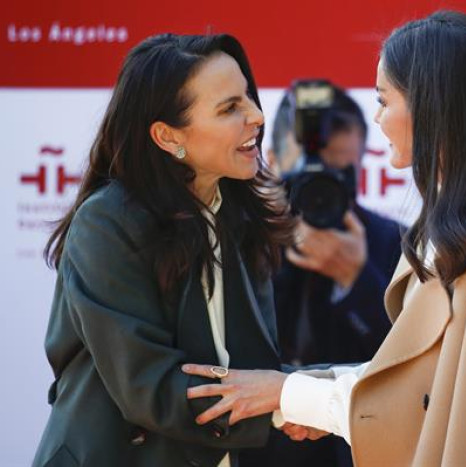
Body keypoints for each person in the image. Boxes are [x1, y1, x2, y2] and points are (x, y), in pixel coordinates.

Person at [182, 10, 466, 467]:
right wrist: (299, 397)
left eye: (384, 99)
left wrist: (292, 386)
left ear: (433, 107)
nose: (379, 118)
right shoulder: (460, 230)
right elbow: (423, 387)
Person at [33, 33, 294, 467]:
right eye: (230, 108)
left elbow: (253, 366)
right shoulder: (107, 223)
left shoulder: (240, 215)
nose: (256, 115)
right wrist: (288, 408)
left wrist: (314, 397)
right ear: (168, 136)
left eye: (247, 96)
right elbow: (150, 387)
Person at [242, 86, 401, 467]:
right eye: (310, 174)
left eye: (340, 174)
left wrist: (357, 280)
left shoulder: (395, 244)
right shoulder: (238, 238)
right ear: (272, 159)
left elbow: (406, 371)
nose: (322, 188)